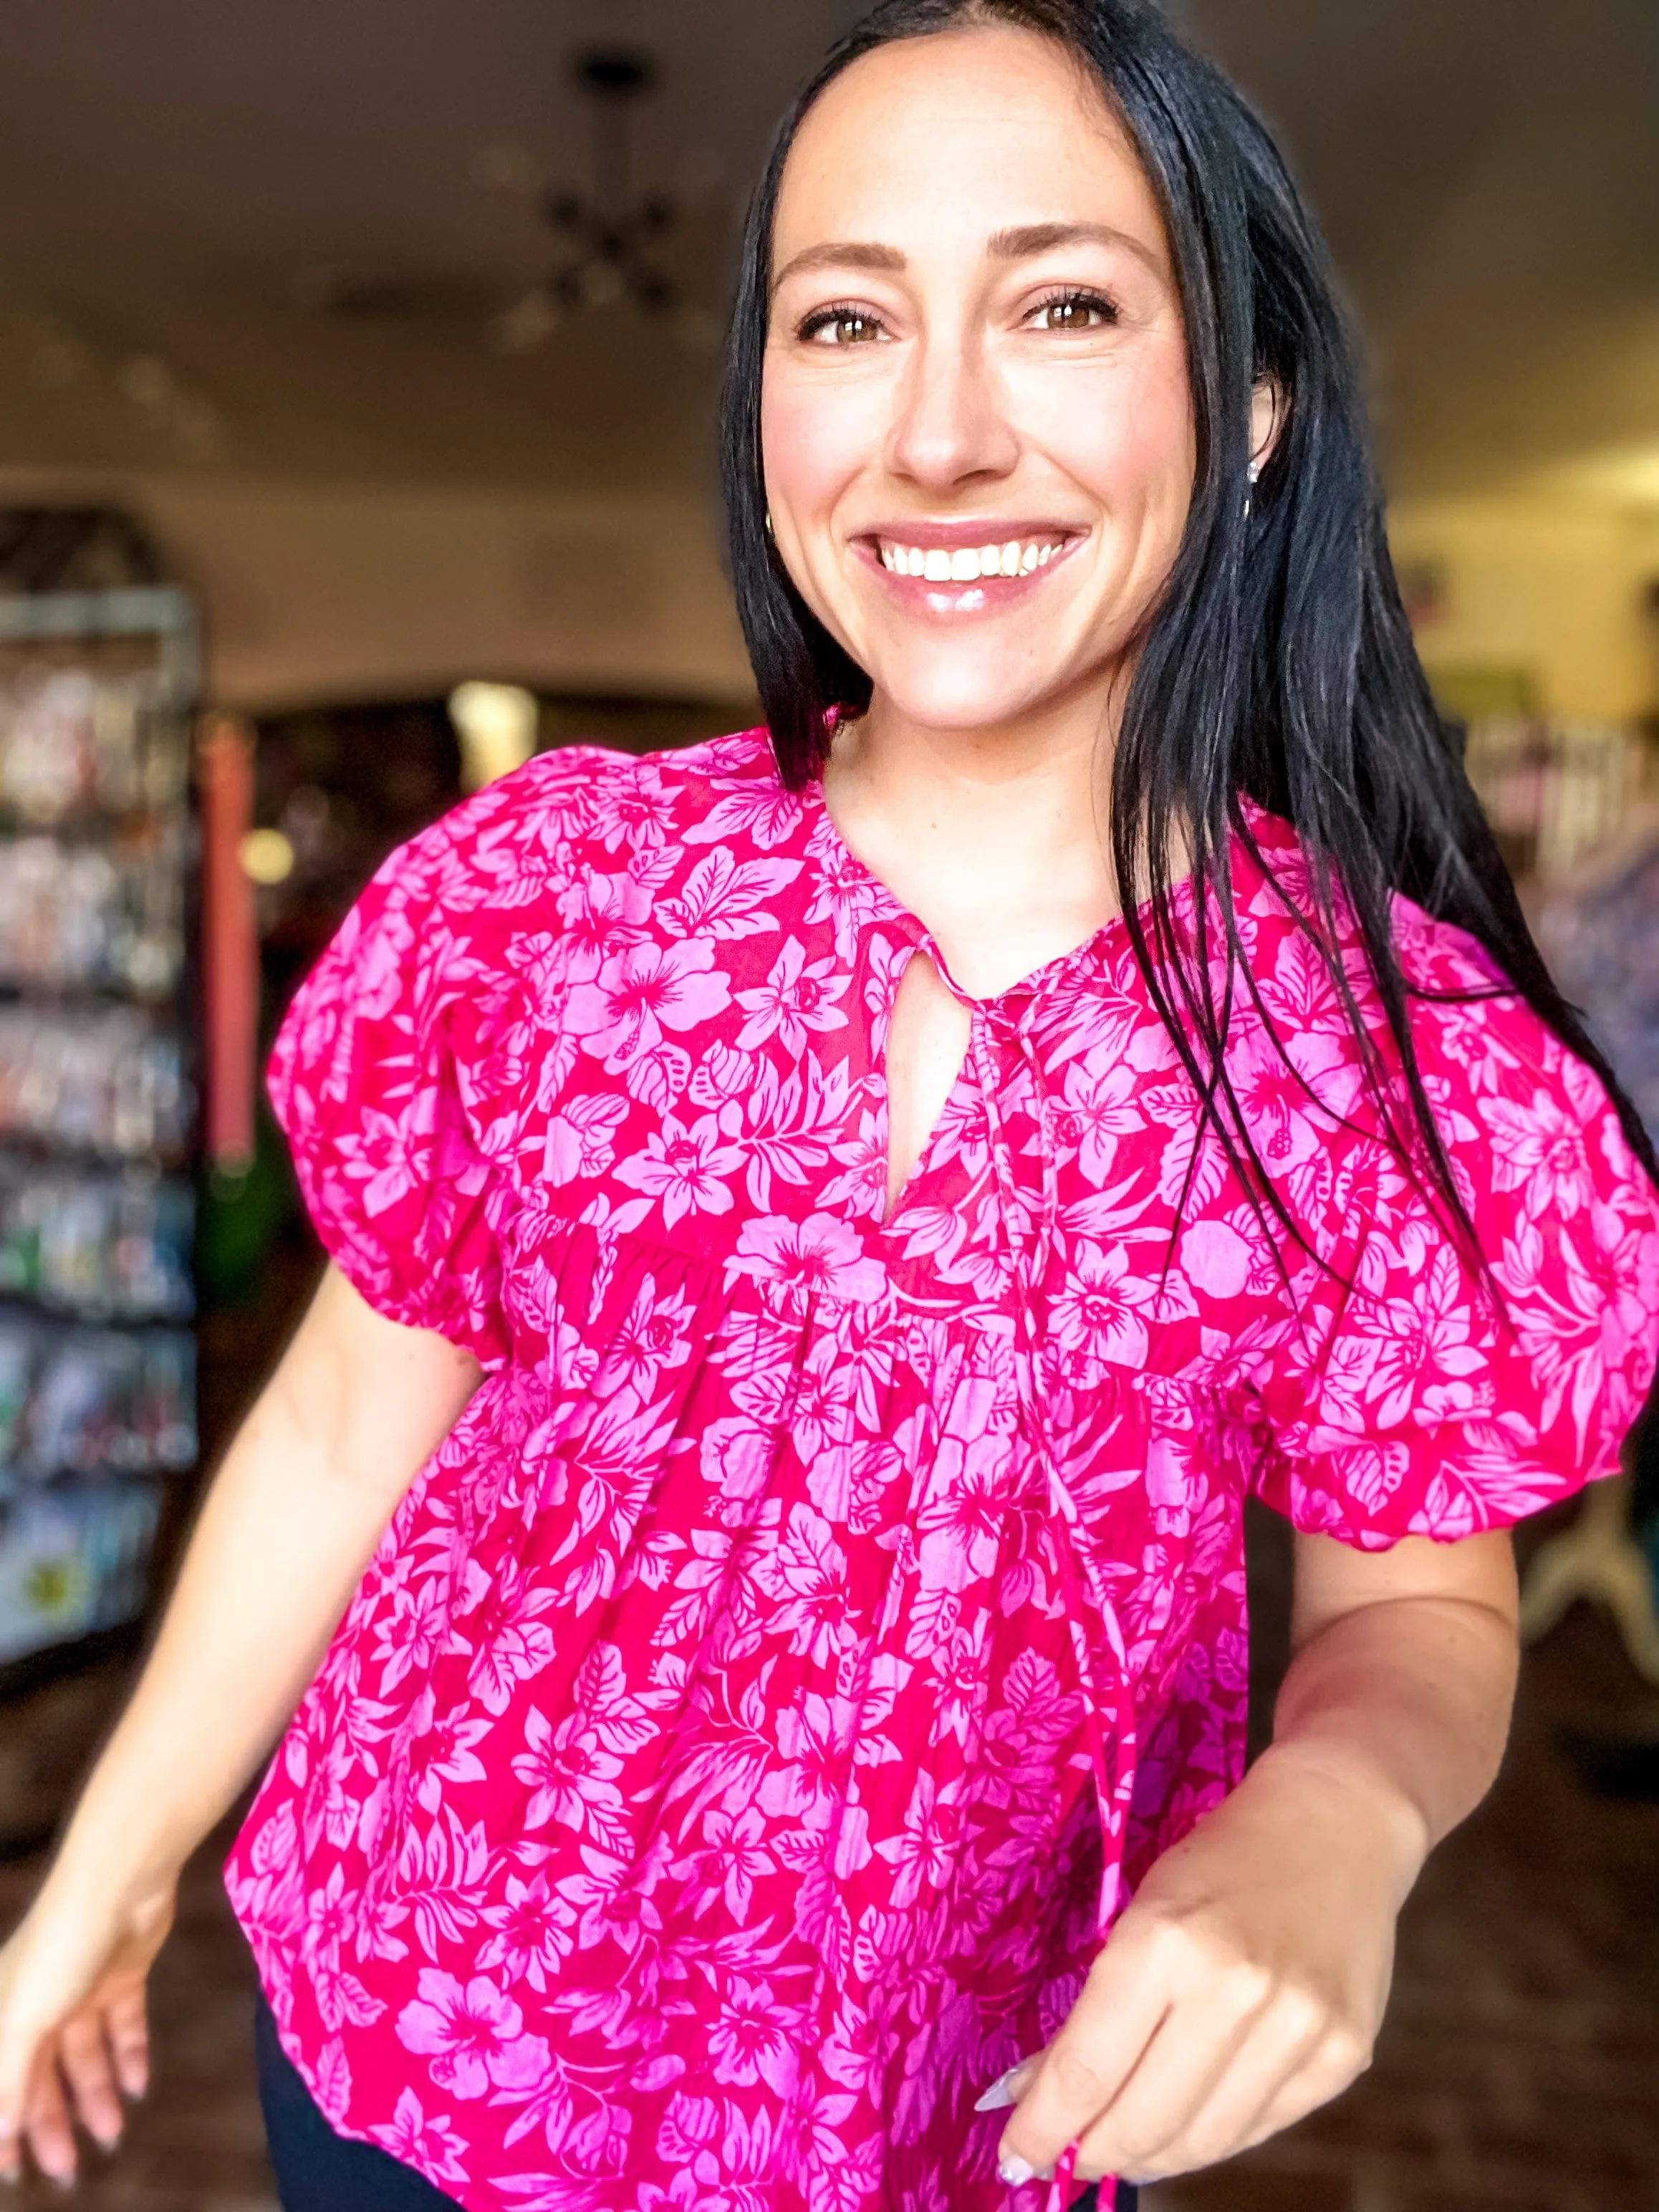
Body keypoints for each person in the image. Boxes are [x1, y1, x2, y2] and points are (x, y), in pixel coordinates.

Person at [2, 3, 1656, 2207]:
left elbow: (1418, 1614)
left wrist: (1336, 1816)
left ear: (1253, 403)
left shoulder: (1384, 1054)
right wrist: (103, 1881)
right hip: (413, 2010)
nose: (938, 432)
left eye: (1062, 303)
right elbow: (334, 1430)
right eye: (845, 318)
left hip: (950, 2117)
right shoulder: (549, 895)